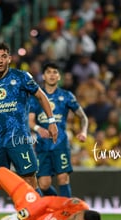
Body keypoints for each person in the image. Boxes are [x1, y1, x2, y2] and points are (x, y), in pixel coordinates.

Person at [0, 42, 58, 220]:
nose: (0, 60)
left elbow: (41, 96)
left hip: (19, 139)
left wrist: (51, 122)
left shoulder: (21, 77)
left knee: (29, 182)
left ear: (9, 58)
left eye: (4, 56)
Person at [29, 62, 88, 197]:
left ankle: (66, 213)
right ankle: (57, 204)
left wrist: (83, 131)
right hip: (42, 145)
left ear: (59, 77)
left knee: (63, 178)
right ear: (43, 76)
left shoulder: (66, 96)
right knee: (43, 184)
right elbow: (30, 121)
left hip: (60, 143)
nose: (52, 75)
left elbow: (83, 117)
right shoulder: (36, 97)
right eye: (48, 72)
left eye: (55, 72)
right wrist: (38, 128)